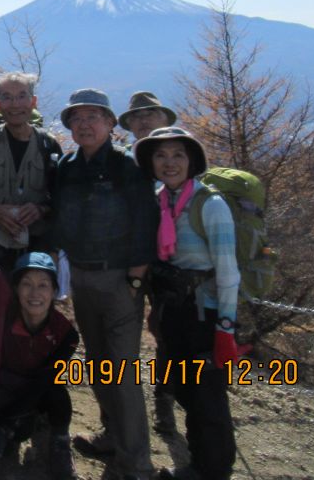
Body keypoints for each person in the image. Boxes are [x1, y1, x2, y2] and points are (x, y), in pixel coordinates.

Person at [51, 88, 158, 480]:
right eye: (77, 118)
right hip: (81, 275)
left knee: (124, 372)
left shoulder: (129, 167)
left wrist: (135, 278)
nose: (84, 124)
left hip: (119, 279)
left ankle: (137, 463)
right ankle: (112, 435)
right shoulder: (66, 166)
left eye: (93, 116)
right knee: (98, 363)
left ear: (112, 123)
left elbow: (146, 222)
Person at [134, 127, 243, 480]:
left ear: (192, 160)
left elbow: (228, 270)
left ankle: (213, 469)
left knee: (207, 395)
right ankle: (199, 463)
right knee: (187, 389)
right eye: (161, 156)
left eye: (178, 155)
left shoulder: (209, 205)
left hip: (205, 312)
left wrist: (225, 326)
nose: (169, 163)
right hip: (174, 310)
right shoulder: (160, 200)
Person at [119, 90, 180, 435]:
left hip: (171, 263)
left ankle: (165, 402)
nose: (143, 120)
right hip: (129, 260)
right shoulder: (125, 161)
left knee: (166, 334)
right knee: (123, 334)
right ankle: (124, 412)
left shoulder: (178, 158)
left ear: (164, 119)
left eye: (150, 114)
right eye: (137, 116)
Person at [0, 252, 79, 480]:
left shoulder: (65, 334)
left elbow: (44, 381)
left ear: (54, 291)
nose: (35, 293)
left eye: (43, 285)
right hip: (5, 386)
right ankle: (7, 428)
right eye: (26, 284)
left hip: (38, 390)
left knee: (57, 394)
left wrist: (10, 419)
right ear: (16, 289)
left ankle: (59, 442)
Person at [0, 72, 62, 272]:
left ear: (33, 101)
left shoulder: (47, 144)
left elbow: (60, 193)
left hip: (37, 249)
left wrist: (41, 209)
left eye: (22, 96)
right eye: (7, 97)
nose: (15, 104)